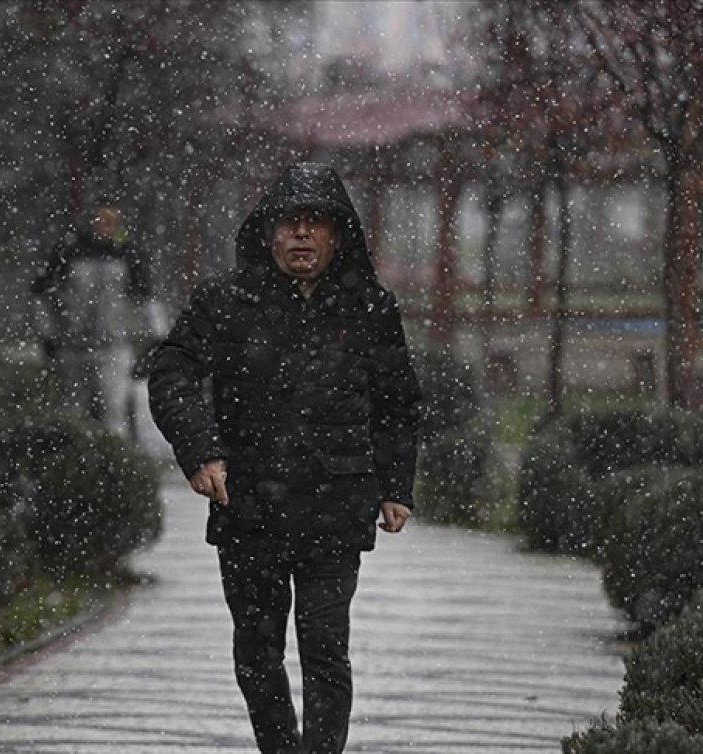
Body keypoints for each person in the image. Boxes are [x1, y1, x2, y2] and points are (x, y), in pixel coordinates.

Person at [148, 163, 421, 753]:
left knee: (326, 649)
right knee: (257, 651)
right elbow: (171, 373)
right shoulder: (224, 302)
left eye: (315, 224)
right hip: (248, 506)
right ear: (267, 233)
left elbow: (398, 401)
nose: (301, 234)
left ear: (337, 235)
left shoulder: (369, 308)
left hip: (335, 506)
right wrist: (200, 453)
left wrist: (396, 484)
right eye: (290, 223)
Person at [32, 198, 155, 437]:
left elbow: (146, 301)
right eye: (101, 220)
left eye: (112, 221)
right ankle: (72, 466)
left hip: (114, 347)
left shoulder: (128, 254)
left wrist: (155, 340)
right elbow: (42, 296)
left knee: (114, 413)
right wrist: (48, 335)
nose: (106, 226)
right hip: (72, 348)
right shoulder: (68, 251)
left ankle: (116, 465)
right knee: (70, 415)